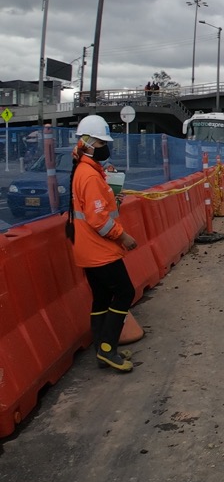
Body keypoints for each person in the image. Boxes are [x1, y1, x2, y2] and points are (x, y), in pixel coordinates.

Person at [69, 115, 140, 373]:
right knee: (124, 292)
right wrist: (123, 236)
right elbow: (99, 220)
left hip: (88, 250)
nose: (105, 148)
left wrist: (113, 198)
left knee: (101, 297)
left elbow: (95, 209)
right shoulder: (88, 175)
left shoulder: (85, 171)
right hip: (100, 251)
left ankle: (102, 347)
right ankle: (108, 348)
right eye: (101, 143)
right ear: (88, 143)